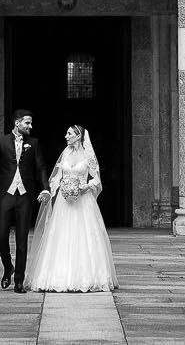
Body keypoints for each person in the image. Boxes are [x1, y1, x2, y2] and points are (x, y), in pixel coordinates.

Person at [26, 125, 117, 292]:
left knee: (84, 234)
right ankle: (59, 275)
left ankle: (87, 277)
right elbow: (56, 177)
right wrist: (52, 191)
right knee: (61, 235)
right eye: (66, 133)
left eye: (69, 133)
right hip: (64, 201)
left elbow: (96, 180)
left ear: (78, 136)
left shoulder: (87, 155)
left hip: (83, 201)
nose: (66, 136)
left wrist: (85, 187)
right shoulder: (65, 154)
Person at [0, 108, 48, 292]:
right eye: (27, 123)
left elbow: (41, 167)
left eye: (31, 123)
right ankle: (7, 267)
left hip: (25, 196)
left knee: (22, 238)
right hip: (6, 195)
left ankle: (19, 279)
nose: (30, 126)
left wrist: (45, 188)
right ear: (17, 123)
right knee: (1, 235)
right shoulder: (2, 141)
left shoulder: (33, 143)